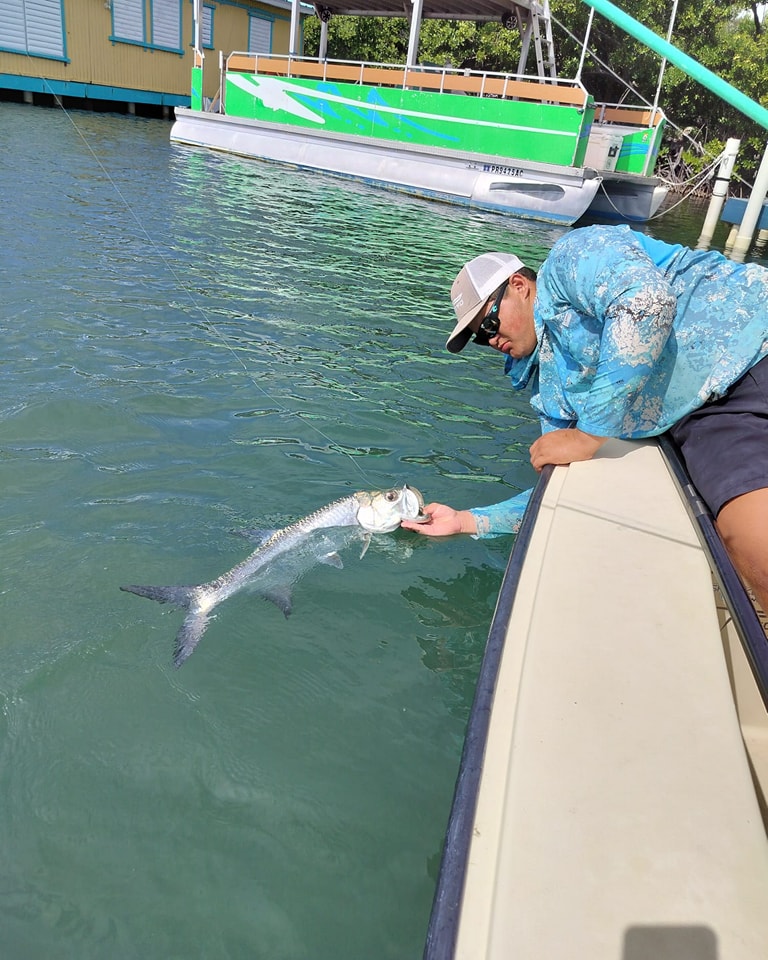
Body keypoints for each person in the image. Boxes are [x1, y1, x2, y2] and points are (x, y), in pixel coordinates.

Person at [400, 225, 768, 615]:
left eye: (489, 323)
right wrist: (467, 521)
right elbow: (559, 487)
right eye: (479, 337)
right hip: (696, 415)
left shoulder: (571, 256)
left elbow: (648, 302)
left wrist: (589, 433)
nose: (491, 340)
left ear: (520, 285)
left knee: (748, 536)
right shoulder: (549, 391)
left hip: (745, 353)